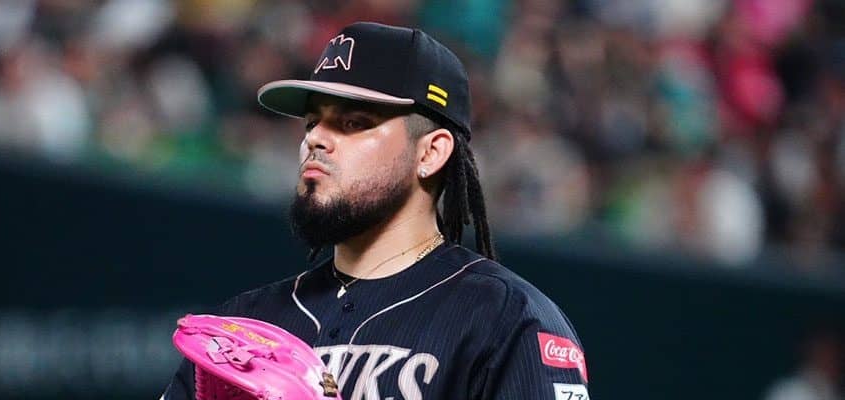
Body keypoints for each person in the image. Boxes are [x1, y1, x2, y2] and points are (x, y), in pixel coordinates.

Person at [161, 21, 590, 400]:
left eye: (353, 123)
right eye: (312, 123)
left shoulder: (503, 318)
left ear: (431, 153)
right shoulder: (246, 326)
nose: (315, 139)